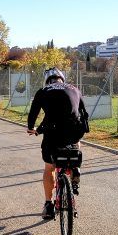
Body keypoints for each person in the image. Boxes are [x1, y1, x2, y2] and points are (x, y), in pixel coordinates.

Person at [27, 67, 89, 220]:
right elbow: (83, 112)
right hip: (74, 131)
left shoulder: (43, 90)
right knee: (76, 142)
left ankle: (49, 205)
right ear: (62, 79)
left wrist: (32, 128)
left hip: (53, 133)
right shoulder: (75, 89)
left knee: (49, 167)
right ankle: (75, 168)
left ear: (48, 80)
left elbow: (33, 113)